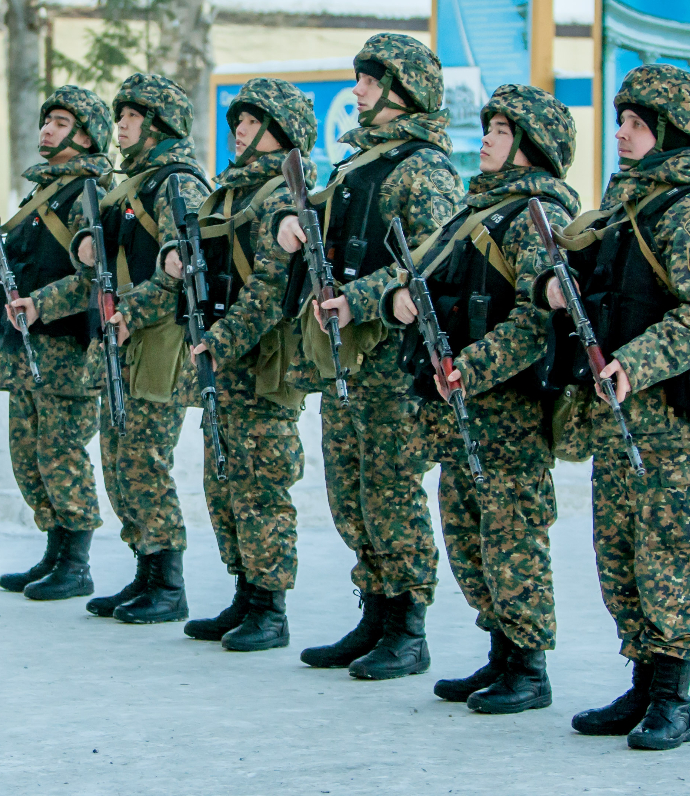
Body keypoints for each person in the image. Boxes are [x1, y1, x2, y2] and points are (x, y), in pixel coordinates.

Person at [541, 64, 690, 751]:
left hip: (670, 421)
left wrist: (640, 363)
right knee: (618, 553)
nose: (620, 134)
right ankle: (640, 680)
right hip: (615, 415)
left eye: (635, 124)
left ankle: (672, 701)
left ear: (671, 132)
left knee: (667, 552)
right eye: (620, 122)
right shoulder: (623, 205)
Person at [379, 84, 580, 713]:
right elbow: (418, 275)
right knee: (468, 534)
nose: (487, 137)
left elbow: (534, 321)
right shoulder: (473, 210)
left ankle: (528, 666)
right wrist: (394, 301)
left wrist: (469, 367)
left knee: (512, 536)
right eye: (488, 126)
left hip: (506, 411)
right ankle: (498, 654)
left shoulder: (538, 214)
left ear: (530, 145)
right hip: (459, 408)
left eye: (501, 130)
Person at [277, 34, 461, 680]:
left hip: (390, 354)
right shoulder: (360, 164)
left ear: (402, 89)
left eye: (369, 80)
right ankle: (376, 611)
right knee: (350, 488)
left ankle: (408, 626)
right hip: (346, 354)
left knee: (389, 488)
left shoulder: (424, 168)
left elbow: (434, 262)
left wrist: (361, 297)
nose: (356, 91)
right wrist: (291, 226)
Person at [44, 73, 211, 624]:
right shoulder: (127, 185)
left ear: (158, 124)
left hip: (159, 343)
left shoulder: (178, 183)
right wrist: (47, 295)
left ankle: (168, 582)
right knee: (117, 459)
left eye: (130, 117)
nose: (119, 127)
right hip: (121, 339)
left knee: (145, 460)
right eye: (119, 117)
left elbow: (182, 269)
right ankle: (144, 569)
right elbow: (100, 273)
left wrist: (129, 316)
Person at [178, 77, 314, 652]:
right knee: (222, 482)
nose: (239, 130)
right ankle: (244, 591)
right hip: (223, 364)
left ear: (279, 133)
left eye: (253, 122)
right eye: (238, 120)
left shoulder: (279, 197)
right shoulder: (225, 195)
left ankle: (270, 606)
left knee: (262, 484)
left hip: (261, 366)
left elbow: (270, 286)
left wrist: (221, 339)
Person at [0, 86, 113, 602]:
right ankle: (54, 551)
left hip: (67, 348)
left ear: (85, 134)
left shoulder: (89, 193)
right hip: (26, 345)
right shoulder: (46, 192)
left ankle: (76, 563)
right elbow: (18, 251)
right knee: (28, 453)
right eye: (46, 121)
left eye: (59, 123)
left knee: (61, 452)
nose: (46, 131)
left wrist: (42, 304)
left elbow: (94, 277)